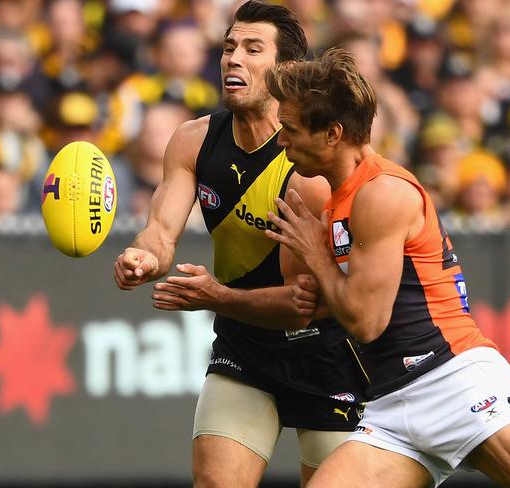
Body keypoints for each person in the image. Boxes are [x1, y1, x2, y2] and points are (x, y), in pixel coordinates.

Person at [264, 48, 510, 488]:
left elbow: (365, 320)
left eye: (289, 129)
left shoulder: (382, 193)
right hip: (390, 404)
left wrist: (316, 255)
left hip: (454, 381)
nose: (281, 141)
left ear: (332, 133)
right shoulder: (336, 200)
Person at [112, 2, 366, 487]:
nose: (233, 59)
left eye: (252, 49)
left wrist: (216, 298)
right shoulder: (192, 141)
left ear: (285, 70)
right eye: (229, 47)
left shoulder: (307, 168)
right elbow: (161, 233)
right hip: (243, 346)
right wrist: (143, 257)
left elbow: (300, 304)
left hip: (324, 351)